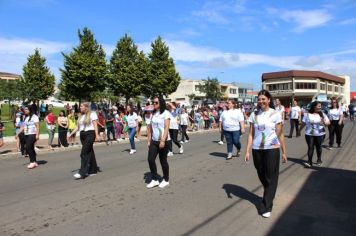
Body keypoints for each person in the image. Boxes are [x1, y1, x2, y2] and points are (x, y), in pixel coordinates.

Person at [244, 90, 287, 218]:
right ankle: (269, 191)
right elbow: (251, 134)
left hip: (272, 148)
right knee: (261, 174)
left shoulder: (276, 114)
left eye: (264, 99)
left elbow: (280, 134)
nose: (261, 101)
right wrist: (247, 150)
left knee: (270, 176)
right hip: (257, 149)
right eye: (259, 99)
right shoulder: (254, 114)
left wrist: (284, 152)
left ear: (269, 100)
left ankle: (267, 205)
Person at [68, 102, 100, 179]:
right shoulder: (81, 116)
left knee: (84, 153)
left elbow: (95, 125)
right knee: (90, 152)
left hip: (90, 134)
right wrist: (70, 134)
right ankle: (93, 170)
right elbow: (77, 127)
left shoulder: (92, 114)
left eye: (81, 106)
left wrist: (97, 135)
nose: (80, 108)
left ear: (86, 107)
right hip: (83, 135)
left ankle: (82, 172)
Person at [146, 96, 171, 189]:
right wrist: (149, 140)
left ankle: (166, 179)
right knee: (150, 159)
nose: (154, 104)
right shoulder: (153, 114)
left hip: (164, 141)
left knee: (163, 161)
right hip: (154, 140)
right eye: (153, 102)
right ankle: (155, 179)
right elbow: (150, 128)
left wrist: (163, 141)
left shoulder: (166, 113)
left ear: (161, 103)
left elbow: (166, 127)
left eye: (156, 102)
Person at [300, 101, 330, 167]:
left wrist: (324, 123)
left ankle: (319, 159)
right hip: (309, 134)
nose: (320, 107)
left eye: (320, 106)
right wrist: (299, 130)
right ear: (314, 107)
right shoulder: (307, 114)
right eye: (319, 106)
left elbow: (328, 123)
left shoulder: (322, 114)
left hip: (320, 134)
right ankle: (309, 162)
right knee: (310, 147)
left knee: (318, 147)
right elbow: (303, 123)